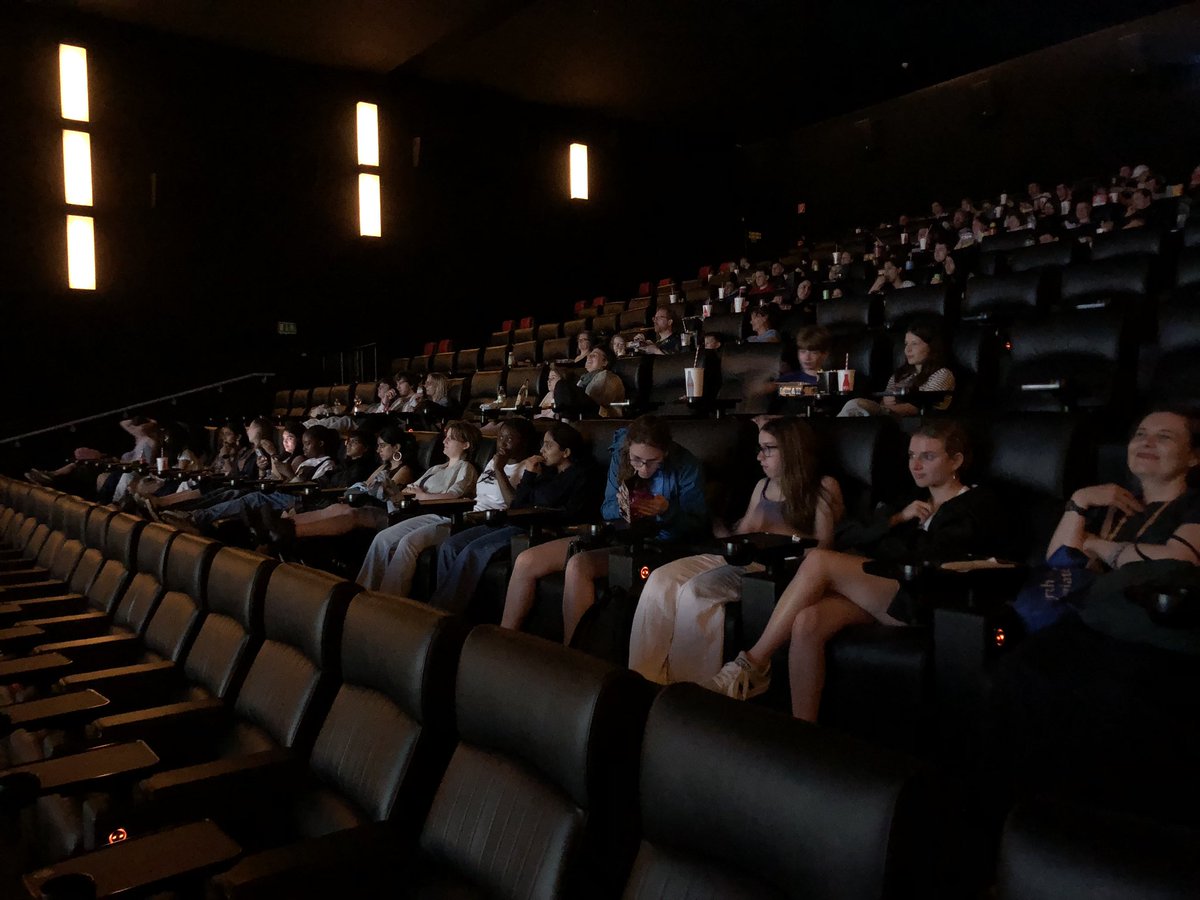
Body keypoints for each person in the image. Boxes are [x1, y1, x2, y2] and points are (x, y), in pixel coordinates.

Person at [985, 409, 1200, 821]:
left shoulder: (1193, 504)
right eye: (1140, 434)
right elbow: (1060, 562)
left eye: (1165, 437)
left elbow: (1180, 559)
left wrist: (1102, 548)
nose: (1147, 442)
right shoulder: (1116, 504)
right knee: (1020, 673)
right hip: (1093, 623)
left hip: (1154, 633)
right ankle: (1016, 822)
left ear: (1193, 458)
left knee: (1101, 699)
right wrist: (1081, 501)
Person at [710, 421, 1002, 718]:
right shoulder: (906, 499)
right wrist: (897, 519)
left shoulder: (975, 504)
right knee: (808, 621)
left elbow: (933, 559)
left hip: (924, 599)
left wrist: (890, 542)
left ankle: (752, 663)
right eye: (911, 455)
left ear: (956, 460)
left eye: (927, 457)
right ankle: (804, 731)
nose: (915, 465)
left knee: (818, 560)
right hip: (883, 590)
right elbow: (849, 534)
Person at [629, 418, 843, 684]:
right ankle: (642, 679)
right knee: (660, 578)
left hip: (776, 566)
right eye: (759, 448)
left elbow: (825, 548)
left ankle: (691, 690)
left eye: (767, 449)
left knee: (695, 591)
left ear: (791, 449)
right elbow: (743, 534)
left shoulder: (823, 486)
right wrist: (717, 523)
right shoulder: (762, 487)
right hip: (744, 556)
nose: (759, 456)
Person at [501, 416, 707, 643]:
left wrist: (667, 510)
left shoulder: (686, 465)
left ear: (665, 453)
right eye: (637, 460)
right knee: (526, 560)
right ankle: (504, 642)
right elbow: (606, 510)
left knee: (578, 565)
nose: (643, 468)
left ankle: (574, 653)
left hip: (662, 545)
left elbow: (697, 524)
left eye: (652, 461)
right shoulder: (621, 459)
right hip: (617, 536)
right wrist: (621, 506)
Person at [429, 423, 601, 614]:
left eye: (548, 445)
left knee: (473, 551)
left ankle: (444, 613)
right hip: (514, 520)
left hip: (534, 528)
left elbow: (571, 513)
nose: (542, 450)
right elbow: (517, 505)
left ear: (566, 452)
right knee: (450, 546)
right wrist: (528, 475)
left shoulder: (581, 475)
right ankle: (442, 606)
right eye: (542, 444)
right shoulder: (545, 471)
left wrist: (537, 507)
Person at [355, 420, 492, 595]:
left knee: (407, 544)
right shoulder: (435, 468)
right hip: (422, 514)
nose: (444, 441)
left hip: (446, 517)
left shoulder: (466, 468)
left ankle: (390, 600)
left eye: (451, 439)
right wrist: (393, 489)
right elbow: (409, 489)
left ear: (466, 445)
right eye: (445, 437)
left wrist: (423, 495)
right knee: (382, 538)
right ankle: (363, 593)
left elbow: (454, 495)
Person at [161, 425, 342, 533]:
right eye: (303, 443)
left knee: (251, 499)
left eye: (308, 443)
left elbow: (312, 493)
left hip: (296, 501)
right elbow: (286, 482)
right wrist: (270, 472)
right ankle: (179, 511)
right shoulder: (307, 461)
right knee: (232, 492)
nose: (305, 447)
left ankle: (195, 518)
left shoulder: (327, 464)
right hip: (281, 493)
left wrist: (290, 474)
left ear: (321, 444)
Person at [839, 317, 955, 417]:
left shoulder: (942, 374)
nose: (907, 350)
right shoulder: (901, 374)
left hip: (922, 425)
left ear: (931, 346)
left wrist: (885, 408)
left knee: (857, 404)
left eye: (914, 344)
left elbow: (919, 407)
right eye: (906, 344)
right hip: (889, 419)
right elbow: (884, 401)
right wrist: (885, 404)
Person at [553, 346, 626, 418]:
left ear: (605, 362)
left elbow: (593, 399)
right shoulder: (584, 378)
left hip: (601, 417)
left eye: (594, 355)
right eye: (589, 355)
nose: (589, 357)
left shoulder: (608, 376)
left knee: (562, 385)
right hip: (584, 413)